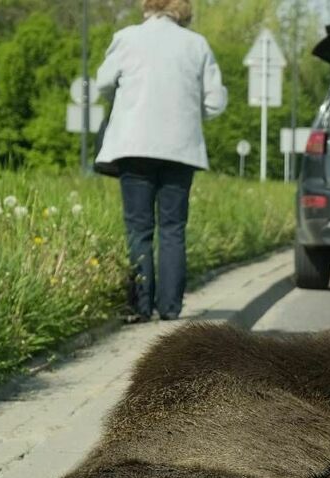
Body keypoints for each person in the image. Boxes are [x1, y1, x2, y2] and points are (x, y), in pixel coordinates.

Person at [95, 0, 227, 324]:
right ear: (183, 8)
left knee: (138, 229)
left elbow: (103, 83)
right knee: (172, 229)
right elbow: (215, 101)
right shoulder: (197, 45)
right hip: (180, 149)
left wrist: (127, 99)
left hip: (134, 145)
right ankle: (170, 308)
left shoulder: (127, 37)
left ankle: (140, 307)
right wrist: (191, 113)